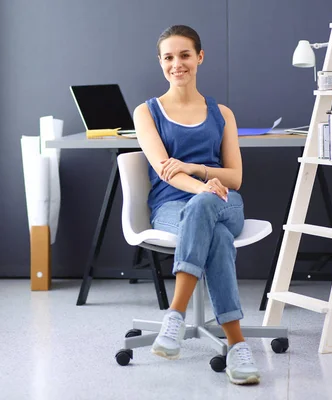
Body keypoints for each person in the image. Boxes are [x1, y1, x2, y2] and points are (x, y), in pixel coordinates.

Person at [133, 25, 260, 385]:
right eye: (169, 57)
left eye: (185, 55)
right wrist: (200, 189)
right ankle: (237, 346)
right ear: (160, 63)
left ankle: (174, 314)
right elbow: (164, 170)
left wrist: (199, 170)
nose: (178, 64)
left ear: (199, 57)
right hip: (172, 207)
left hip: (225, 201)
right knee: (215, 234)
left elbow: (234, 178)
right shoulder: (147, 112)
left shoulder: (222, 113)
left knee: (208, 209)